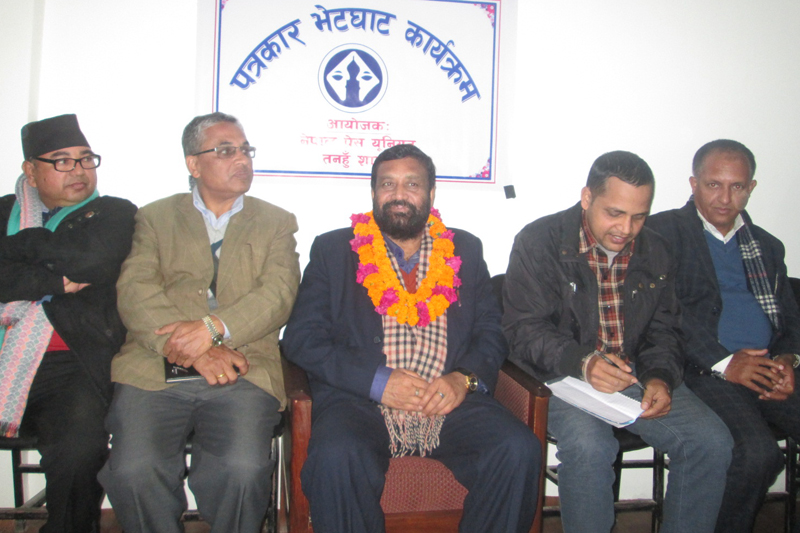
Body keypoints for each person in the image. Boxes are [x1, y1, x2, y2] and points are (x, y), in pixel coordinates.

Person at [282, 144, 540, 533]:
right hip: (359, 400)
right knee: (337, 454)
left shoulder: (465, 249)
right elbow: (302, 338)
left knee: (518, 448)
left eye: (412, 184)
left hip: (447, 398)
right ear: (373, 193)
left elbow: (491, 331)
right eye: (388, 184)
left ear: (431, 193)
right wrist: (378, 382)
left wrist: (464, 379)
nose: (399, 194)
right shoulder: (333, 250)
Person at [503, 150, 733, 533]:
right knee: (590, 447)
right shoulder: (539, 242)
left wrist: (660, 376)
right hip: (558, 377)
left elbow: (665, 329)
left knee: (710, 443)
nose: (626, 229)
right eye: (615, 213)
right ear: (587, 197)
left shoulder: (656, 250)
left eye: (639, 216)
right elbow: (523, 330)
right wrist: (584, 362)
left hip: (633, 374)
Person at [98, 112, 300, 533]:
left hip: (244, 367)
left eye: (245, 150)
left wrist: (212, 330)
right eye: (226, 151)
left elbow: (278, 295)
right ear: (193, 164)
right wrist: (197, 351)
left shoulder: (276, 222)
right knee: (134, 469)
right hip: (155, 366)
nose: (241, 159)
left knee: (243, 469)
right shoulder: (155, 217)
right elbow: (135, 290)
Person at [647, 139, 800, 533]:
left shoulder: (767, 246)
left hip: (768, 367)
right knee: (756, 454)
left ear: (751, 188)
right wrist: (726, 362)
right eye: (714, 184)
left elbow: (790, 317)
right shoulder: (661, 233)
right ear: (694, 183)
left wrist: (788, 361)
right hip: (704, 371)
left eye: (737, 187)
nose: (725, 198)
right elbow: (661, 312)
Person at [0, 114, 136, 532]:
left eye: (85, 159)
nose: (78, 170)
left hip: (73, 364)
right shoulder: (3, 212)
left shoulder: (115, 214)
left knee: (80, 450)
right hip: (5, 353)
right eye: (62, 161)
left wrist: (15, 251)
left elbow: (92, 261)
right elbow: (70, 266)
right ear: (31, 171)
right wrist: (55, 280)